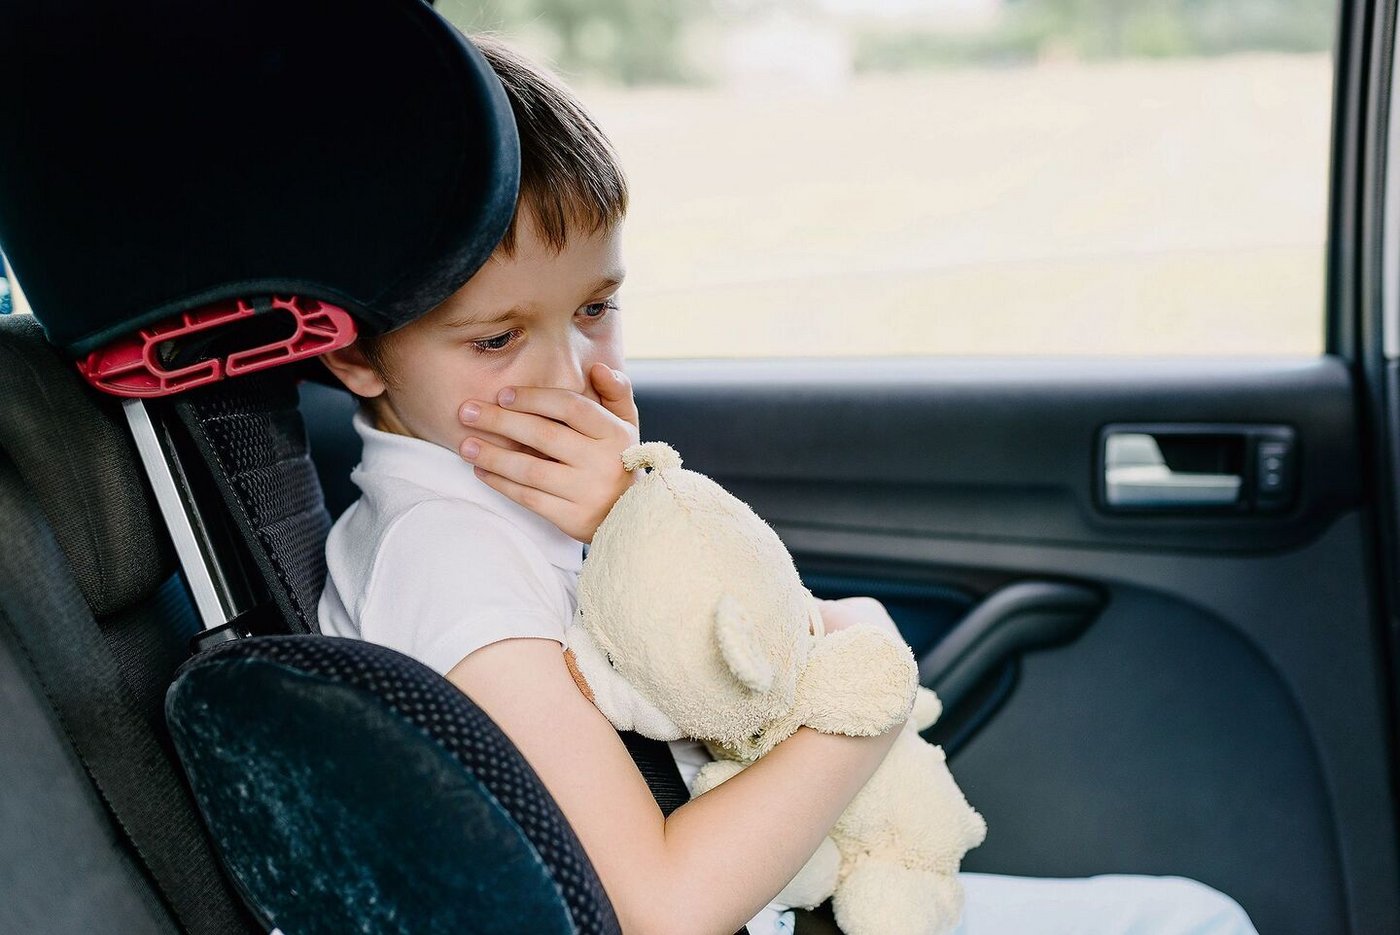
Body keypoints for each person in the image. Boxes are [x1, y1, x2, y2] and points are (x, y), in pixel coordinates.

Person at [317, 35, 1258, 935]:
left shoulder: (523, 503)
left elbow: (727, 652)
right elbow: (660, 907)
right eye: (496, 338)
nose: (570, 374)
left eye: (597, 308)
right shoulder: (447, 559)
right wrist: (869, 695)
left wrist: (635, 519)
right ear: (358, 349)